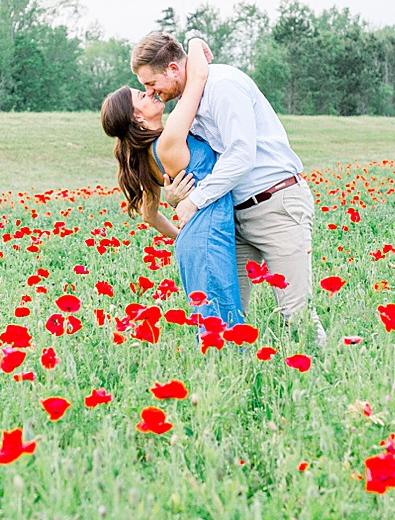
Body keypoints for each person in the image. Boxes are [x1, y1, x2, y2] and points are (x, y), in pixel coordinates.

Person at [129, 32, 323, 343]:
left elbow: (241, 153)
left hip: (275, 204)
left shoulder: (223, 86)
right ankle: (238, 382)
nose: (151, 92)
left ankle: (322, 380)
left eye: (152, 84)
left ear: (173, 70)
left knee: (296, 314)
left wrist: (196, 201)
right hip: (235, 215)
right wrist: (176, 193)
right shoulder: (190, 100)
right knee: (227, 316)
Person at [98, 37, 245, 330]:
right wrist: (194, 41)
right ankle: (218, 373)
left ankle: (216, 372)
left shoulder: (147, 155)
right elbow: (199, 76)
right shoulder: (168, 140)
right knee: (221, 322)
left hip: (198, 234)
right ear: (138, 118)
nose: (149, 93)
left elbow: (149, 215)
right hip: (208, 232)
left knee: (216, 319)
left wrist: (183, 236)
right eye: (141, 95)